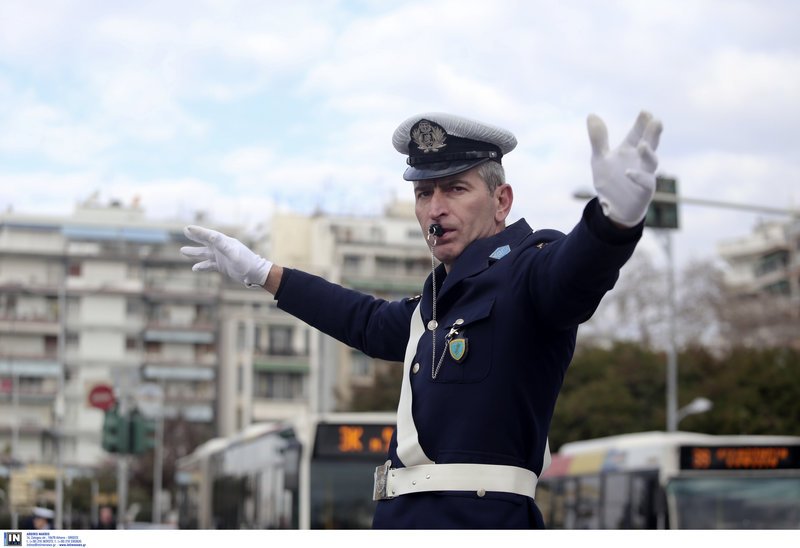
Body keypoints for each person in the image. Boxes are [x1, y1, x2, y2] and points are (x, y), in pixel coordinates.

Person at [181, 110, 662, 529]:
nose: (435, 209)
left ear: (501, 201)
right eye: (424, 192)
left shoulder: (527, 269)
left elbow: (573, 273)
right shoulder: (437, 303)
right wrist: (264, 273)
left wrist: (612, 222)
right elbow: (365, 321)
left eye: (455, 189)